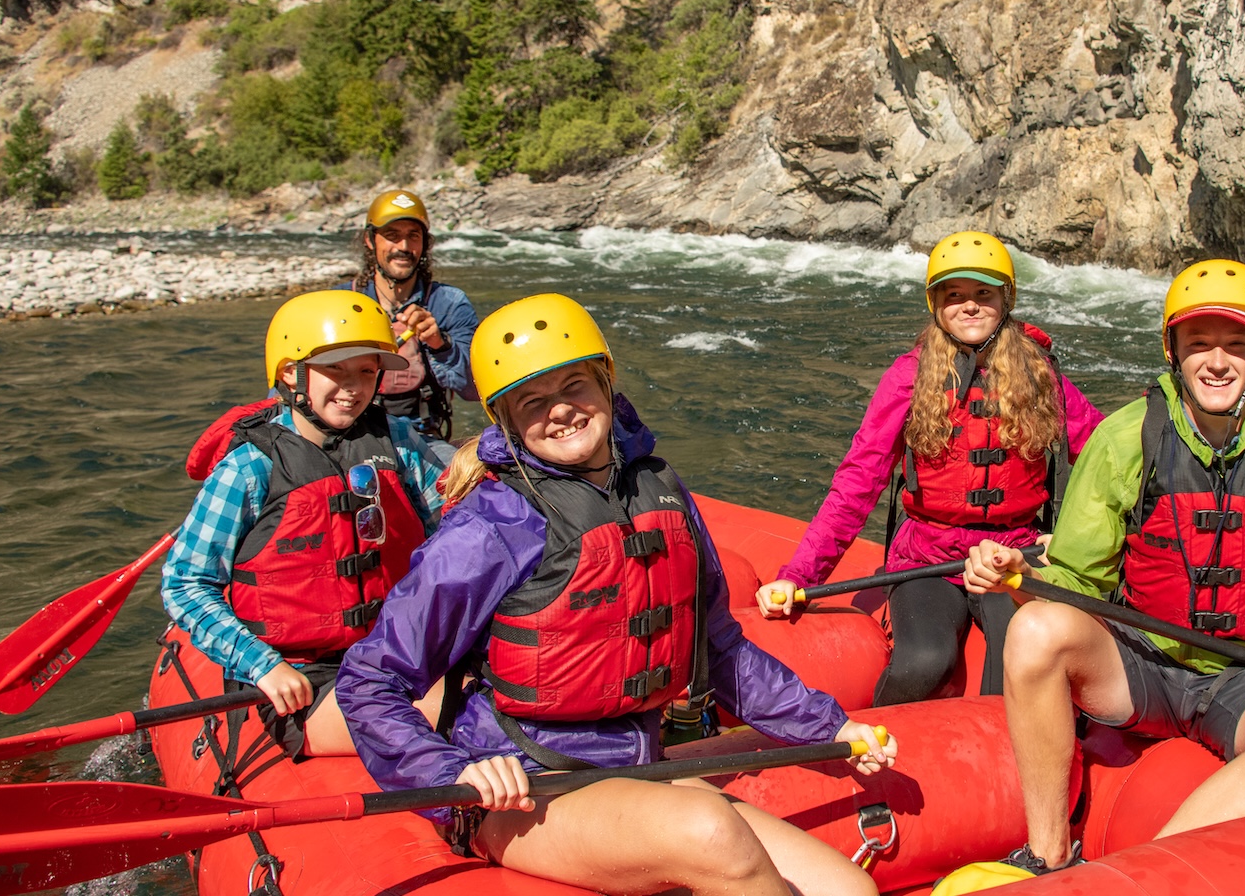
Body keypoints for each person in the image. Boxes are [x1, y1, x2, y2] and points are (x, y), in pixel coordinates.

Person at [337, 293, 896, 896]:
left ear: (606, 382)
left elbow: (718, 648)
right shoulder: (491, 527)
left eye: (573, 385)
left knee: (847, 890)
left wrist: (828, 727)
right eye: (532, 401)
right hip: (526, 788)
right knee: (709, 829)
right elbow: (369, 682)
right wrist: (449, 772)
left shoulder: (659, 490)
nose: (560, 411)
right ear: (505, 420)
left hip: (636, 766)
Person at [963, 259, 1245, 878]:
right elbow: (1076, 581)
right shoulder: (1128, 437)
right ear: (1172, 350)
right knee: (1035, 628)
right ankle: (1048, 855)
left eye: (1236, 344)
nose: (1217, 361)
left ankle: (1142, 874)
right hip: (1145, 664)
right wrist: (1022, 574)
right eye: (1198, 343)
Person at [756, 231, 1103, 705]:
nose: (970, 306)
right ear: (935, 303)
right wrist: (799, 576)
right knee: (925, 661)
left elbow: (1105, 460)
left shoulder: (1043, 374)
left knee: (1017, 657)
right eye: (954, 295)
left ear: (1007, 298)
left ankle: (1003, 765)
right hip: (928, 560)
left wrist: (1067, 544)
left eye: (984, 293)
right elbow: (858, 483)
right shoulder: (908, 377)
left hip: (1014, 556)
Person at [164, 289, 445, 758]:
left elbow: (453, 533)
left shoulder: (398, 442)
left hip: (395, 650)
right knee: (461, 709)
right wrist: (262, 665)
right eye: (336, 370)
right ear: (290, 373)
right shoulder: (250, 468)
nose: (354, 387)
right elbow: (186, 584)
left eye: (367, 370)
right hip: (302, 680)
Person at [348, 188, 481, 466]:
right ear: (370, 241)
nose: (404, 247)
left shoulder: (449, 303)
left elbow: (475, 389)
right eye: (392, 236)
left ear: (424, 244)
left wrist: (440, 344)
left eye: (413, 236)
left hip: (423, 438)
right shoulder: (341, 303)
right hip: (351, 435)